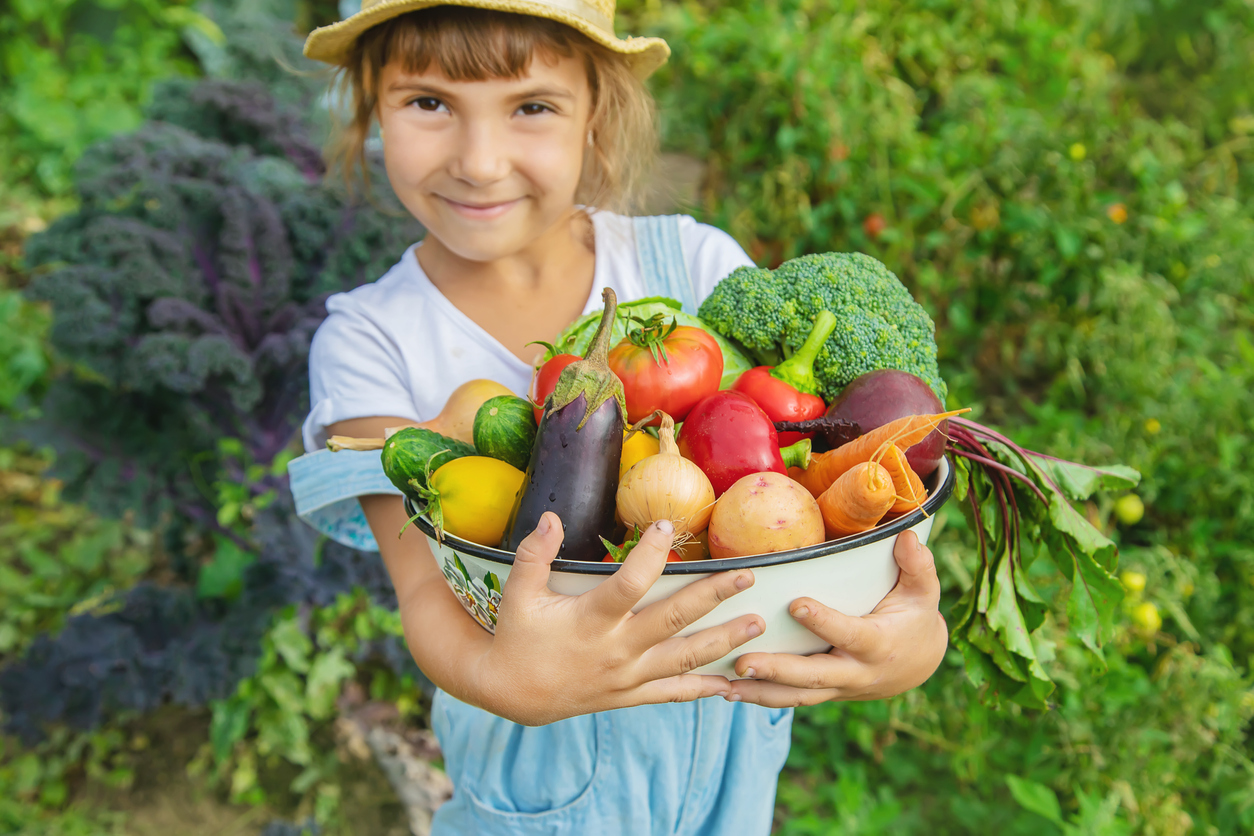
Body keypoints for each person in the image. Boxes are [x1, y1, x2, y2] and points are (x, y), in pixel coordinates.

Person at [290, 2, 949, 832]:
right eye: (428, 103)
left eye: (532, 106)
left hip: (732, 772)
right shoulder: (369, 339)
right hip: (532, 786)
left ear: (595, 112)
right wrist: (504, 682)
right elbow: (427, 591)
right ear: (368, 107)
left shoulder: (695, 265)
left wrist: (911, 636)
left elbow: (816, 508)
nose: (480, 160)